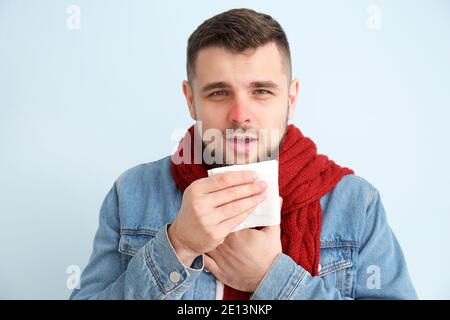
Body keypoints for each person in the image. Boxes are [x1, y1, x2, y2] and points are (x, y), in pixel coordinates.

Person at [70, 8, 417, 300]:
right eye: (219, 92)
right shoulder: (132, 192)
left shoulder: (356, 203)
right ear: (191, 100)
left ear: (291, 99)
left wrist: (272, 278)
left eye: (262, 91)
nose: (240, 114)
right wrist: (177, 245)